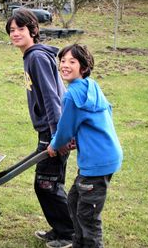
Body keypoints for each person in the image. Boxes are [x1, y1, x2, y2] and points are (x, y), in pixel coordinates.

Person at [5, 8, 74, 248]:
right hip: (50, 130)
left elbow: (51, 98)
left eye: (20, 29)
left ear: (33, 30)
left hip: (53, 131)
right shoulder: (32, 56)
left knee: (47, 184)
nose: (15, 34)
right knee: (48, 183)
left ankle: (69, 235)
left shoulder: (35, 57)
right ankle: (61, 229)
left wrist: (58, 136)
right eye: (12, 30)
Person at [47, 44, 123, 248]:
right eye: (63, 60)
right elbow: (105, 111)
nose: (65, 65)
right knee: (73, 202)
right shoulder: (91, 85)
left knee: (88, 215)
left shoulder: (72, 95)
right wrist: (81, 136)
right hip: (106, 154)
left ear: (83, 67)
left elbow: (64, 129)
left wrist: (55, 145)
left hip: (96, 161)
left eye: (72, 61)